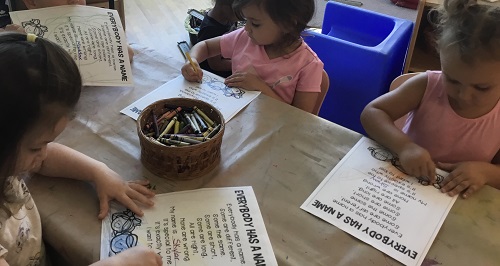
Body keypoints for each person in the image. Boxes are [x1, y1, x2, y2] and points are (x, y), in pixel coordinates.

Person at [0, 32, 161, 265]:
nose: (44, 154)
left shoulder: (8, 157)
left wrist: (98, 171)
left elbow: (46, 159)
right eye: (36, 148)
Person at [360, 0, 500, 199]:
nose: (464, 95)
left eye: (482, 87)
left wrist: (486, 172)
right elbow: (372, 113)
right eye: (452, 79)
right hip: (403, 184)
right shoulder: (426, 85)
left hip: (460, 200)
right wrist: (404, 147)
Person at [181, 0, 323, 114]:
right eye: (246, 20)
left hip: (274, 132)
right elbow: (205, 46)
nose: (247, 28)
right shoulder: (244, 37)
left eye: (255, 23)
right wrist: (192, 60)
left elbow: (300, 118)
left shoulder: (308, 65)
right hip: (236, 117)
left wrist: (261, 88)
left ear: (288, 25)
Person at [8, 0, 135, 61]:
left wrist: (113, 39)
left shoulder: (90, 23)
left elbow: (128, 54)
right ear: (32, 2)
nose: (74, 0)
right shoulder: (22, 33)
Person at [196, 0, 238, 78]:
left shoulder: (228, 17)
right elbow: (216, 65)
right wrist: (241, 63)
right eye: (239, 14)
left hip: (229, 57)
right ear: (225, 6)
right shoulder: (210, 29)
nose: (241, 18)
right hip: (214, 73)